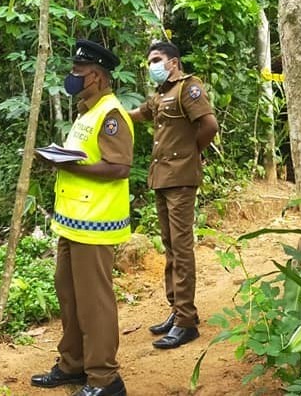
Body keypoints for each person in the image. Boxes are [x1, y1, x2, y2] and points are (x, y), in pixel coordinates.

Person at [31, 40, 133, 396]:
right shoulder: (86, 111)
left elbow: (119, 167)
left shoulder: (111, 115)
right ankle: (72, 364)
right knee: (70, 299)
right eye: (72, 71)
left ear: (98, 77)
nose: (72, 77)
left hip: (97, 224)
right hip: (71, 223)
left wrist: (73, 164)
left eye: (79, 73)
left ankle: (105, 378)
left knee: (94, 305)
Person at [129, 41, 218, 350]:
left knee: (181, 248)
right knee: (169, 246)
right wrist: (110, 112)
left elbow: (209, 124)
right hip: (163, 178)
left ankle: (186, 322)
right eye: (149, 60)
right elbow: (140, 114)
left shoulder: (188, 88)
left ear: (173, 62)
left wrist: (191, 153)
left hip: (180, 178)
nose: (152, 64)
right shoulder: (161, 94)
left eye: (156, 59)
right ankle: (176, 309)